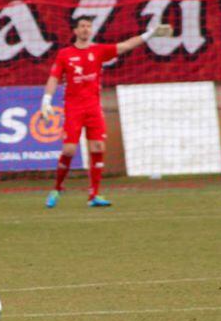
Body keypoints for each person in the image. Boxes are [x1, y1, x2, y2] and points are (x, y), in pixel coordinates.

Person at [41, 17, 172, 208]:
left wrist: (149, 34)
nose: (86, 29)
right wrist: (46, 99)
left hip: (93, 107)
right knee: (69, 149)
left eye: (88, 26)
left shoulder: (98, 50)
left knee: (98, 148)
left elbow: (125, 46)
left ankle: (93, 195)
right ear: (75, 31)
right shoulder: (65, 54)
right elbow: (53, 78)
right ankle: (57, 188)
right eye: (82, 26)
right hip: (74, 108)